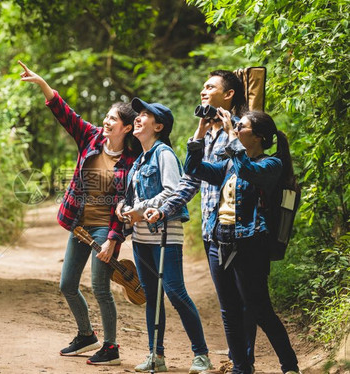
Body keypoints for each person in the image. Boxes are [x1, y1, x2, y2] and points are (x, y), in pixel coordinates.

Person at [18, 60, 141, 366]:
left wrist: (114, 240)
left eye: (113, 119)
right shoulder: (91, 138)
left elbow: (125, 203)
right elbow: (65, 114)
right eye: (106, 117)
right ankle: (87, 335)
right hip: (80, 224)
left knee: (100, 286)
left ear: (126, 128)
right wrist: (43, 84)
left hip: (104, 228)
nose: (106, 121)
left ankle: (111, 347)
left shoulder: (131, 161)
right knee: (67, 285)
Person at [144, 70, 257, 372]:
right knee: (227, 305)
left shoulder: (243, 129)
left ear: (229, 94)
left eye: (210, 86)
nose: (203, 90)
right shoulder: (206, 134)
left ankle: (245, 362)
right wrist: (164, 209)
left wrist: (231, 130)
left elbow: (248, 168)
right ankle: (238, 362)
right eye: (203, 86)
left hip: (239, 230)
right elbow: (190, 182)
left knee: (246, 301)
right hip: (211, 230)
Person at [182, 109, 301, 374]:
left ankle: (290, 365)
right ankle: (241, 367)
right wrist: (200, 133)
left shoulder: (270, 165)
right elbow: (193, 168)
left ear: (258, 136)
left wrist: (229, 137)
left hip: (249, 244)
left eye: (241, 126)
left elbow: (247, 171)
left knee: (259, 309)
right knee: (229, 311)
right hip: (219, 241)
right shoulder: (228, 164)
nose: (235, 128)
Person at [116, 98, 213, 373]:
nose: (138, 118)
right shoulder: (139, 160)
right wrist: (124, 208)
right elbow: (131, 196)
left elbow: (172, 191)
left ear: (158, 126)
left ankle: (201, 355)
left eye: (145, 115)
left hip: (165, 235)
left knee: (175, 292)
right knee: (152, 295)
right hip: (141, 238)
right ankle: (155, 355)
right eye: (139, 114)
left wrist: (140, 209)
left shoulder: (164, 154)